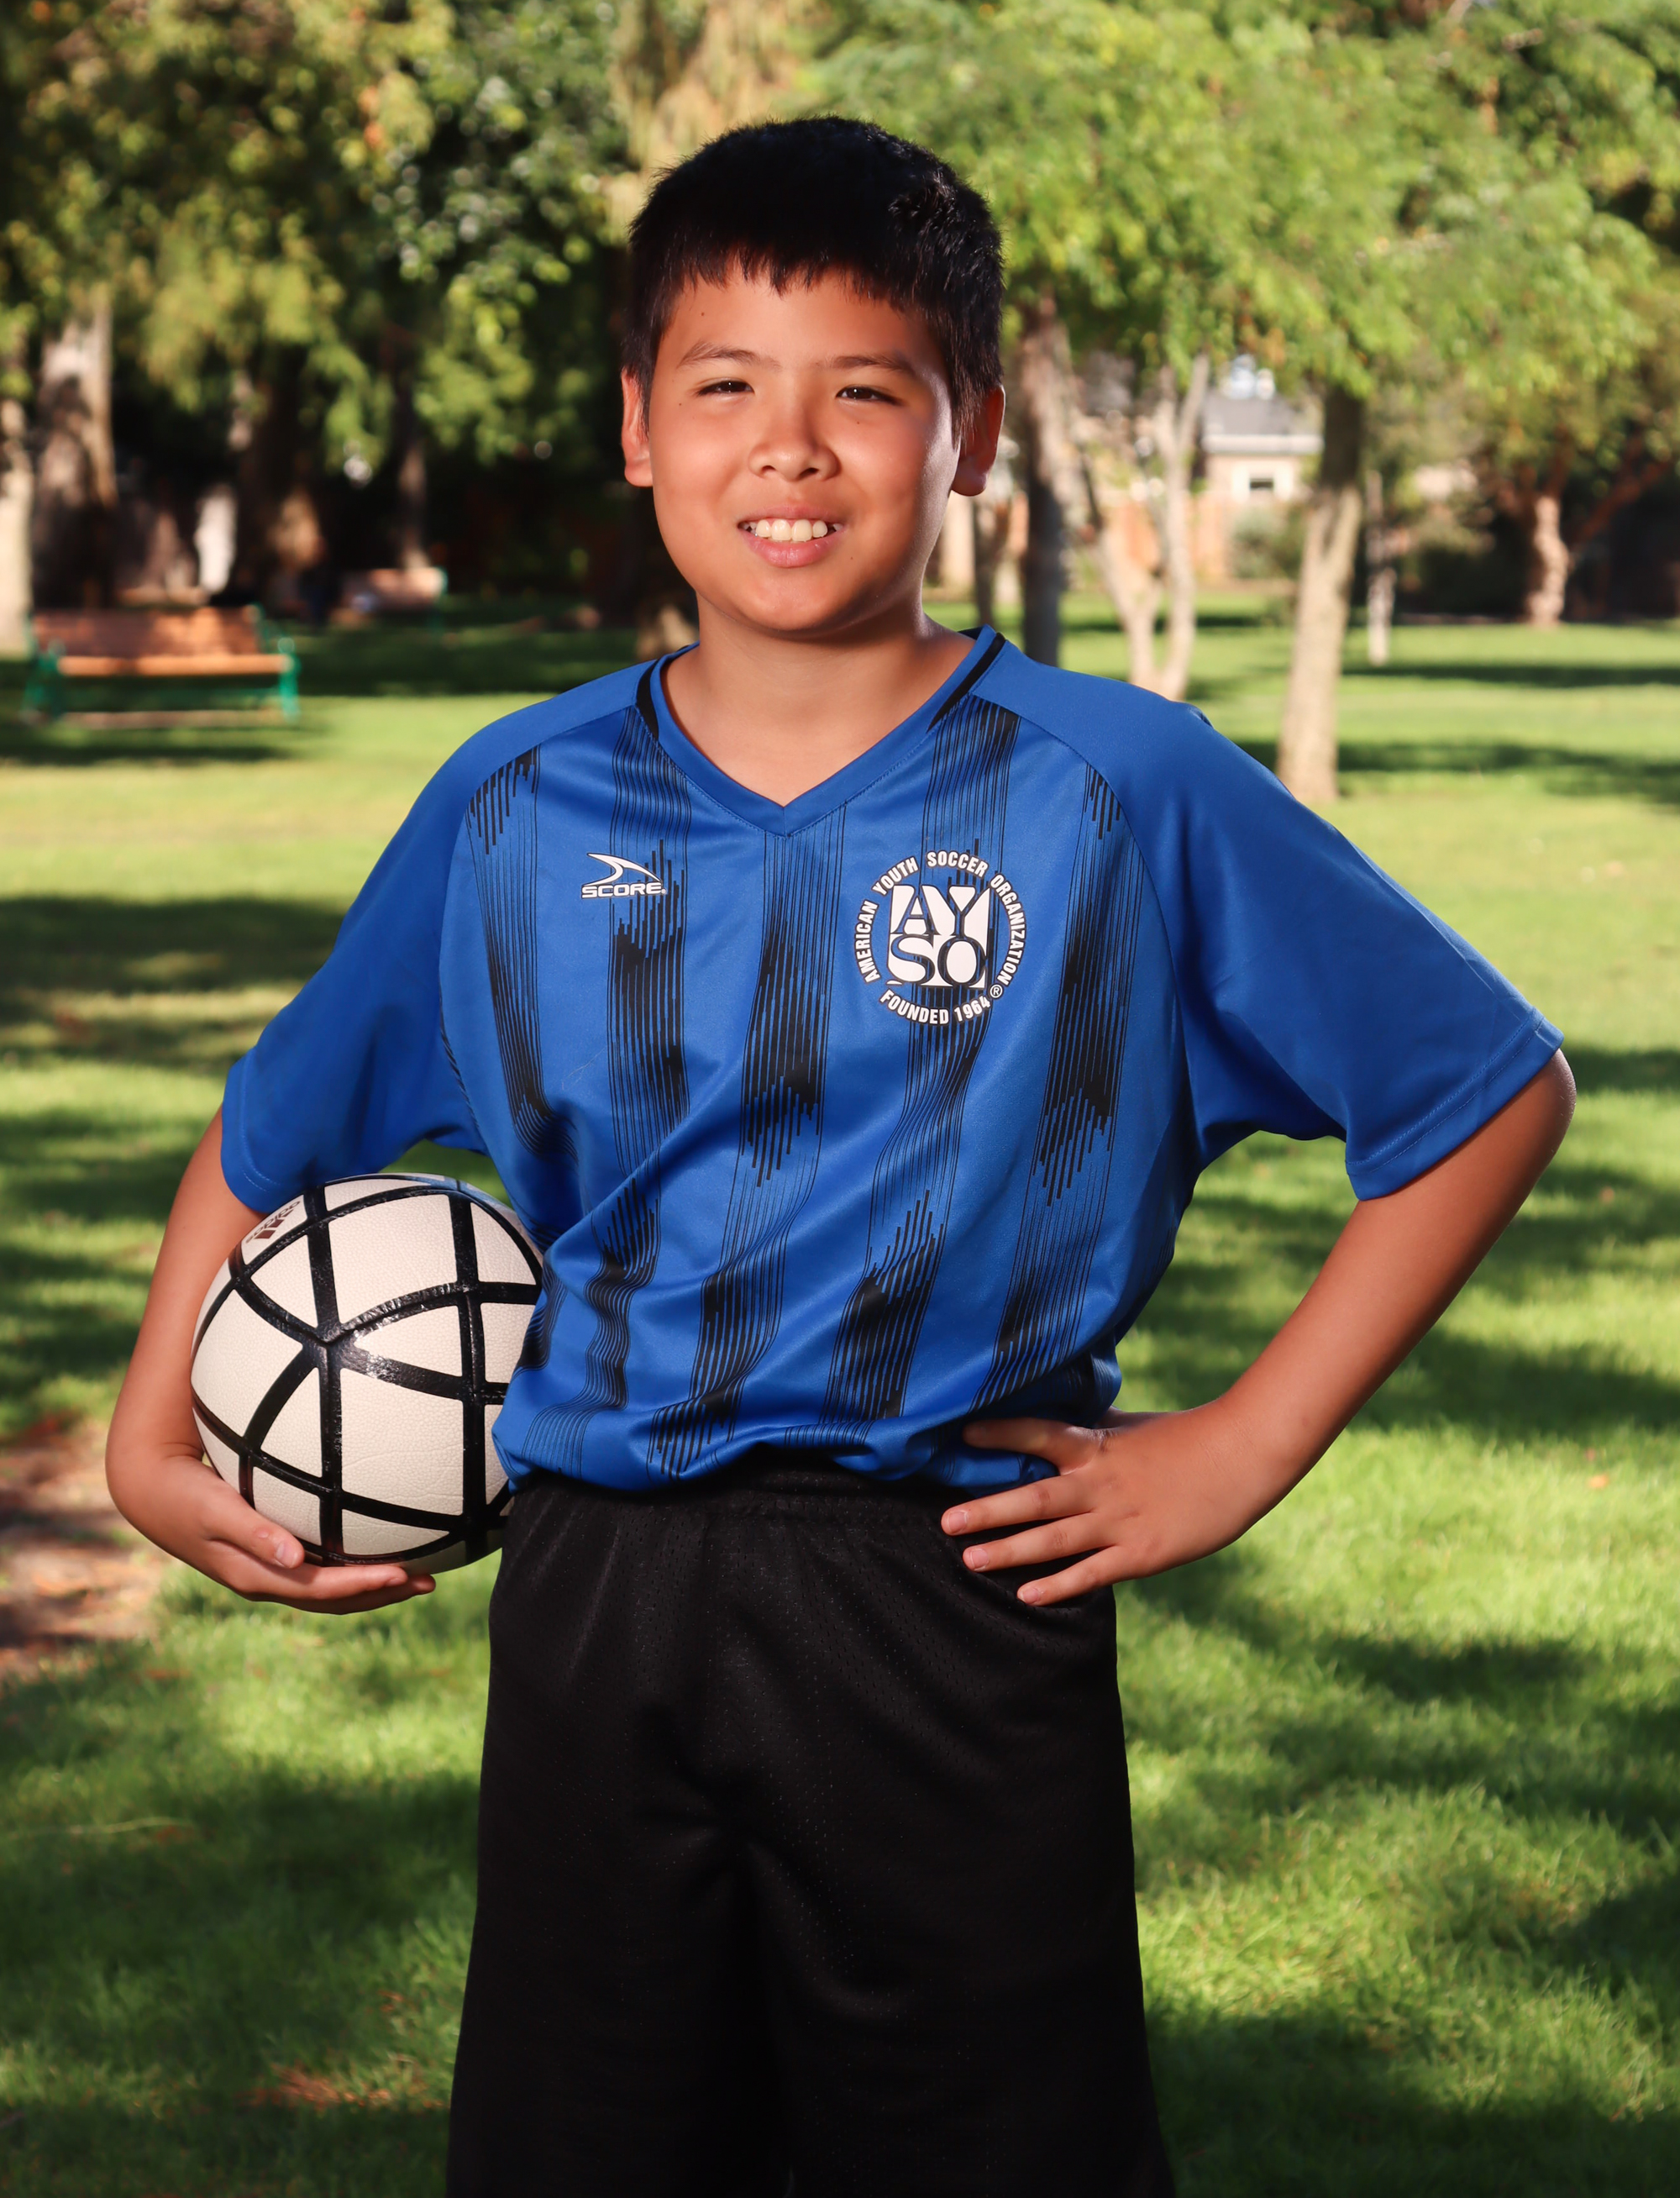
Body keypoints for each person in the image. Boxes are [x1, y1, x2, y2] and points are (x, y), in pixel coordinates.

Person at [106, 118, 1574, 2197]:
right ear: (637, 426)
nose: (788, 448)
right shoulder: (511, 801)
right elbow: (273, 1128)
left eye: (864, 389)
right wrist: (147, 1430)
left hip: (949, 1587)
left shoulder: (1113, 788)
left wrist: (1241, 1443)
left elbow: (1482, 1090)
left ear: (970, 432)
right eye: (725, 385)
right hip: (598, 1584)